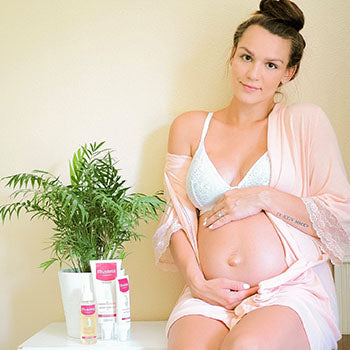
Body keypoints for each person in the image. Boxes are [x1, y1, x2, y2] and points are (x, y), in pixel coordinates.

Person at [153, 0, 350, 349]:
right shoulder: (189, 127)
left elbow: (342, 217)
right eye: (246, 57)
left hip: (286, 290)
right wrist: (197, 283)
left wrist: (264, 197)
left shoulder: (304, 122)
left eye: (270, 64)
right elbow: (176, 220)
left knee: (246, 347)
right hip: (209, 293)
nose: (253, 74)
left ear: (288, 72)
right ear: (232, 55)